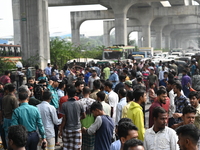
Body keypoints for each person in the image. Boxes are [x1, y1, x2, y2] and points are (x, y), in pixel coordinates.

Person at [11, 85, 47, 150]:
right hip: (34, 135)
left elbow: (14, 126)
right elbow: (40, 124)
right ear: (28, 99)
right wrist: (43, 137)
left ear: (19, 100)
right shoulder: (35, 109)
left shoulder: (16, 111)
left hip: (22, 136)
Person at [59, 85, 86, 150]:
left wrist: (60, 130)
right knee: (77, 148)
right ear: (75, 94)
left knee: (67, 147)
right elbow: (84, 116)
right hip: (77, 129)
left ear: (67, 94)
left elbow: (64, 120)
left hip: (67, 129)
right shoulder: (80, 103)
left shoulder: (64, 105)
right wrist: (78, 118)